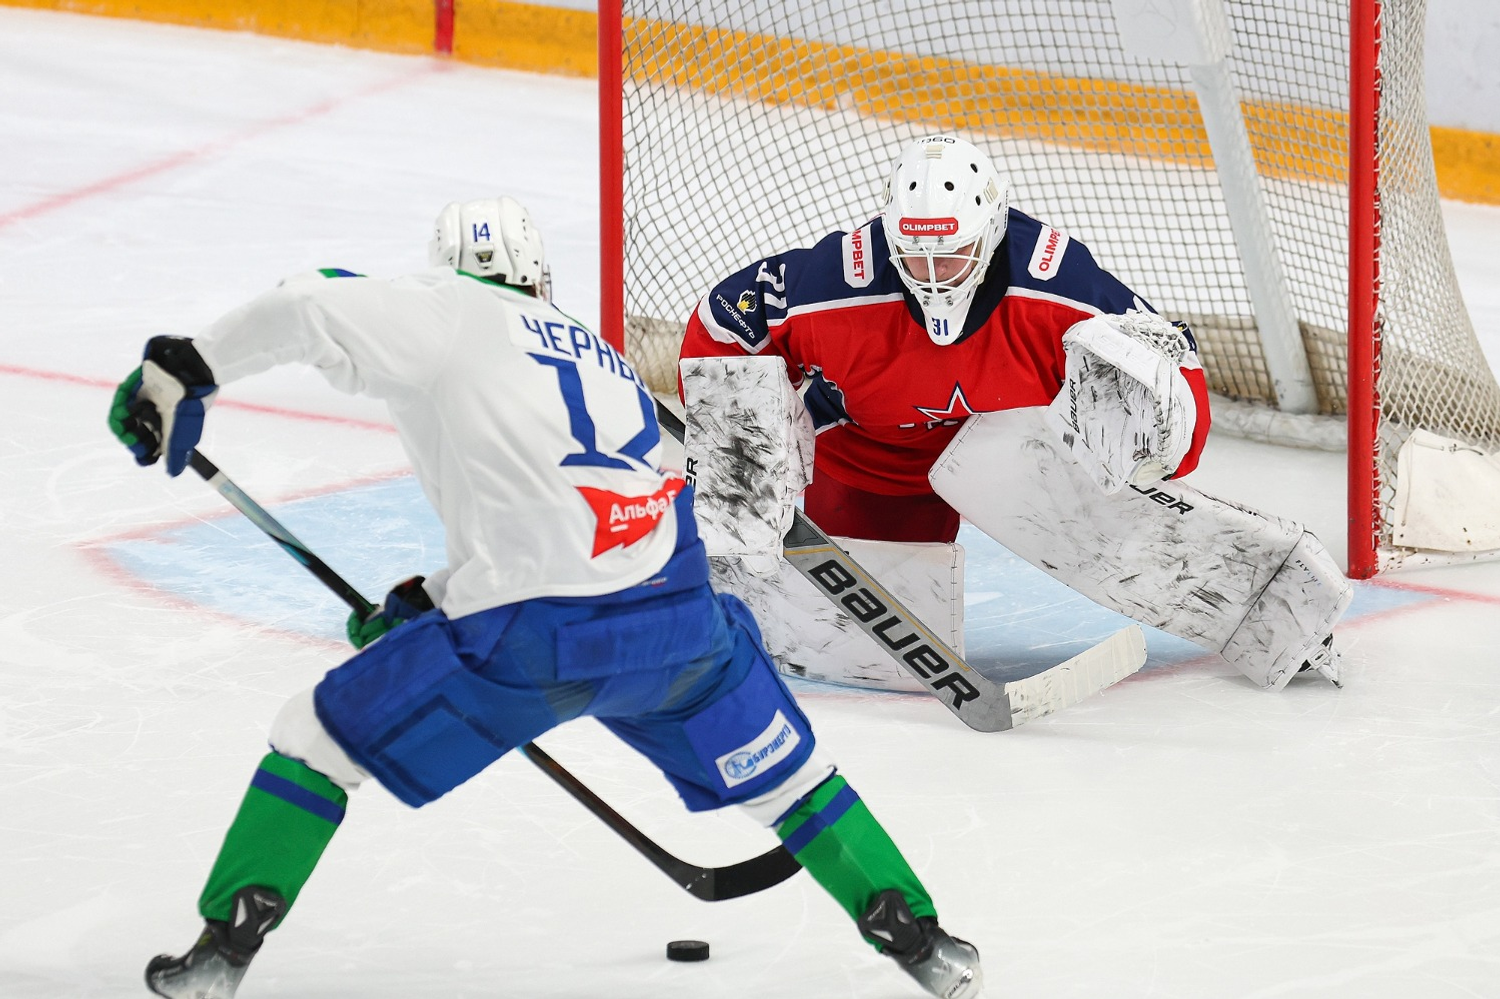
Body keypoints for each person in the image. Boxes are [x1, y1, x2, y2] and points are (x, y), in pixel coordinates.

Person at [108, 196, 982, 999]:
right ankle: (926, 943)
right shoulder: (593, 350)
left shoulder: (450, 308)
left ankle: (224, 951)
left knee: (310, 739)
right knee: (795, 781)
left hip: (536, 637)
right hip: (680, 626)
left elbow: (309, 301)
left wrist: (181, 369)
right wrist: (435, 601)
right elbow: (577, 510)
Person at [678, 134, 1351, 693]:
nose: (936, 272)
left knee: (1093, 489)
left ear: (992, 228)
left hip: (1020, 448)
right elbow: (721, 321)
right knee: (867, 655)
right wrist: (742, 448)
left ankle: (1268, 615)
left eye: (955, 252)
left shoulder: (1056, 286)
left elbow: (1173, 361)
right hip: (868, 459)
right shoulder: (833, 286)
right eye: (916, 255)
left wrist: (1163, 440)